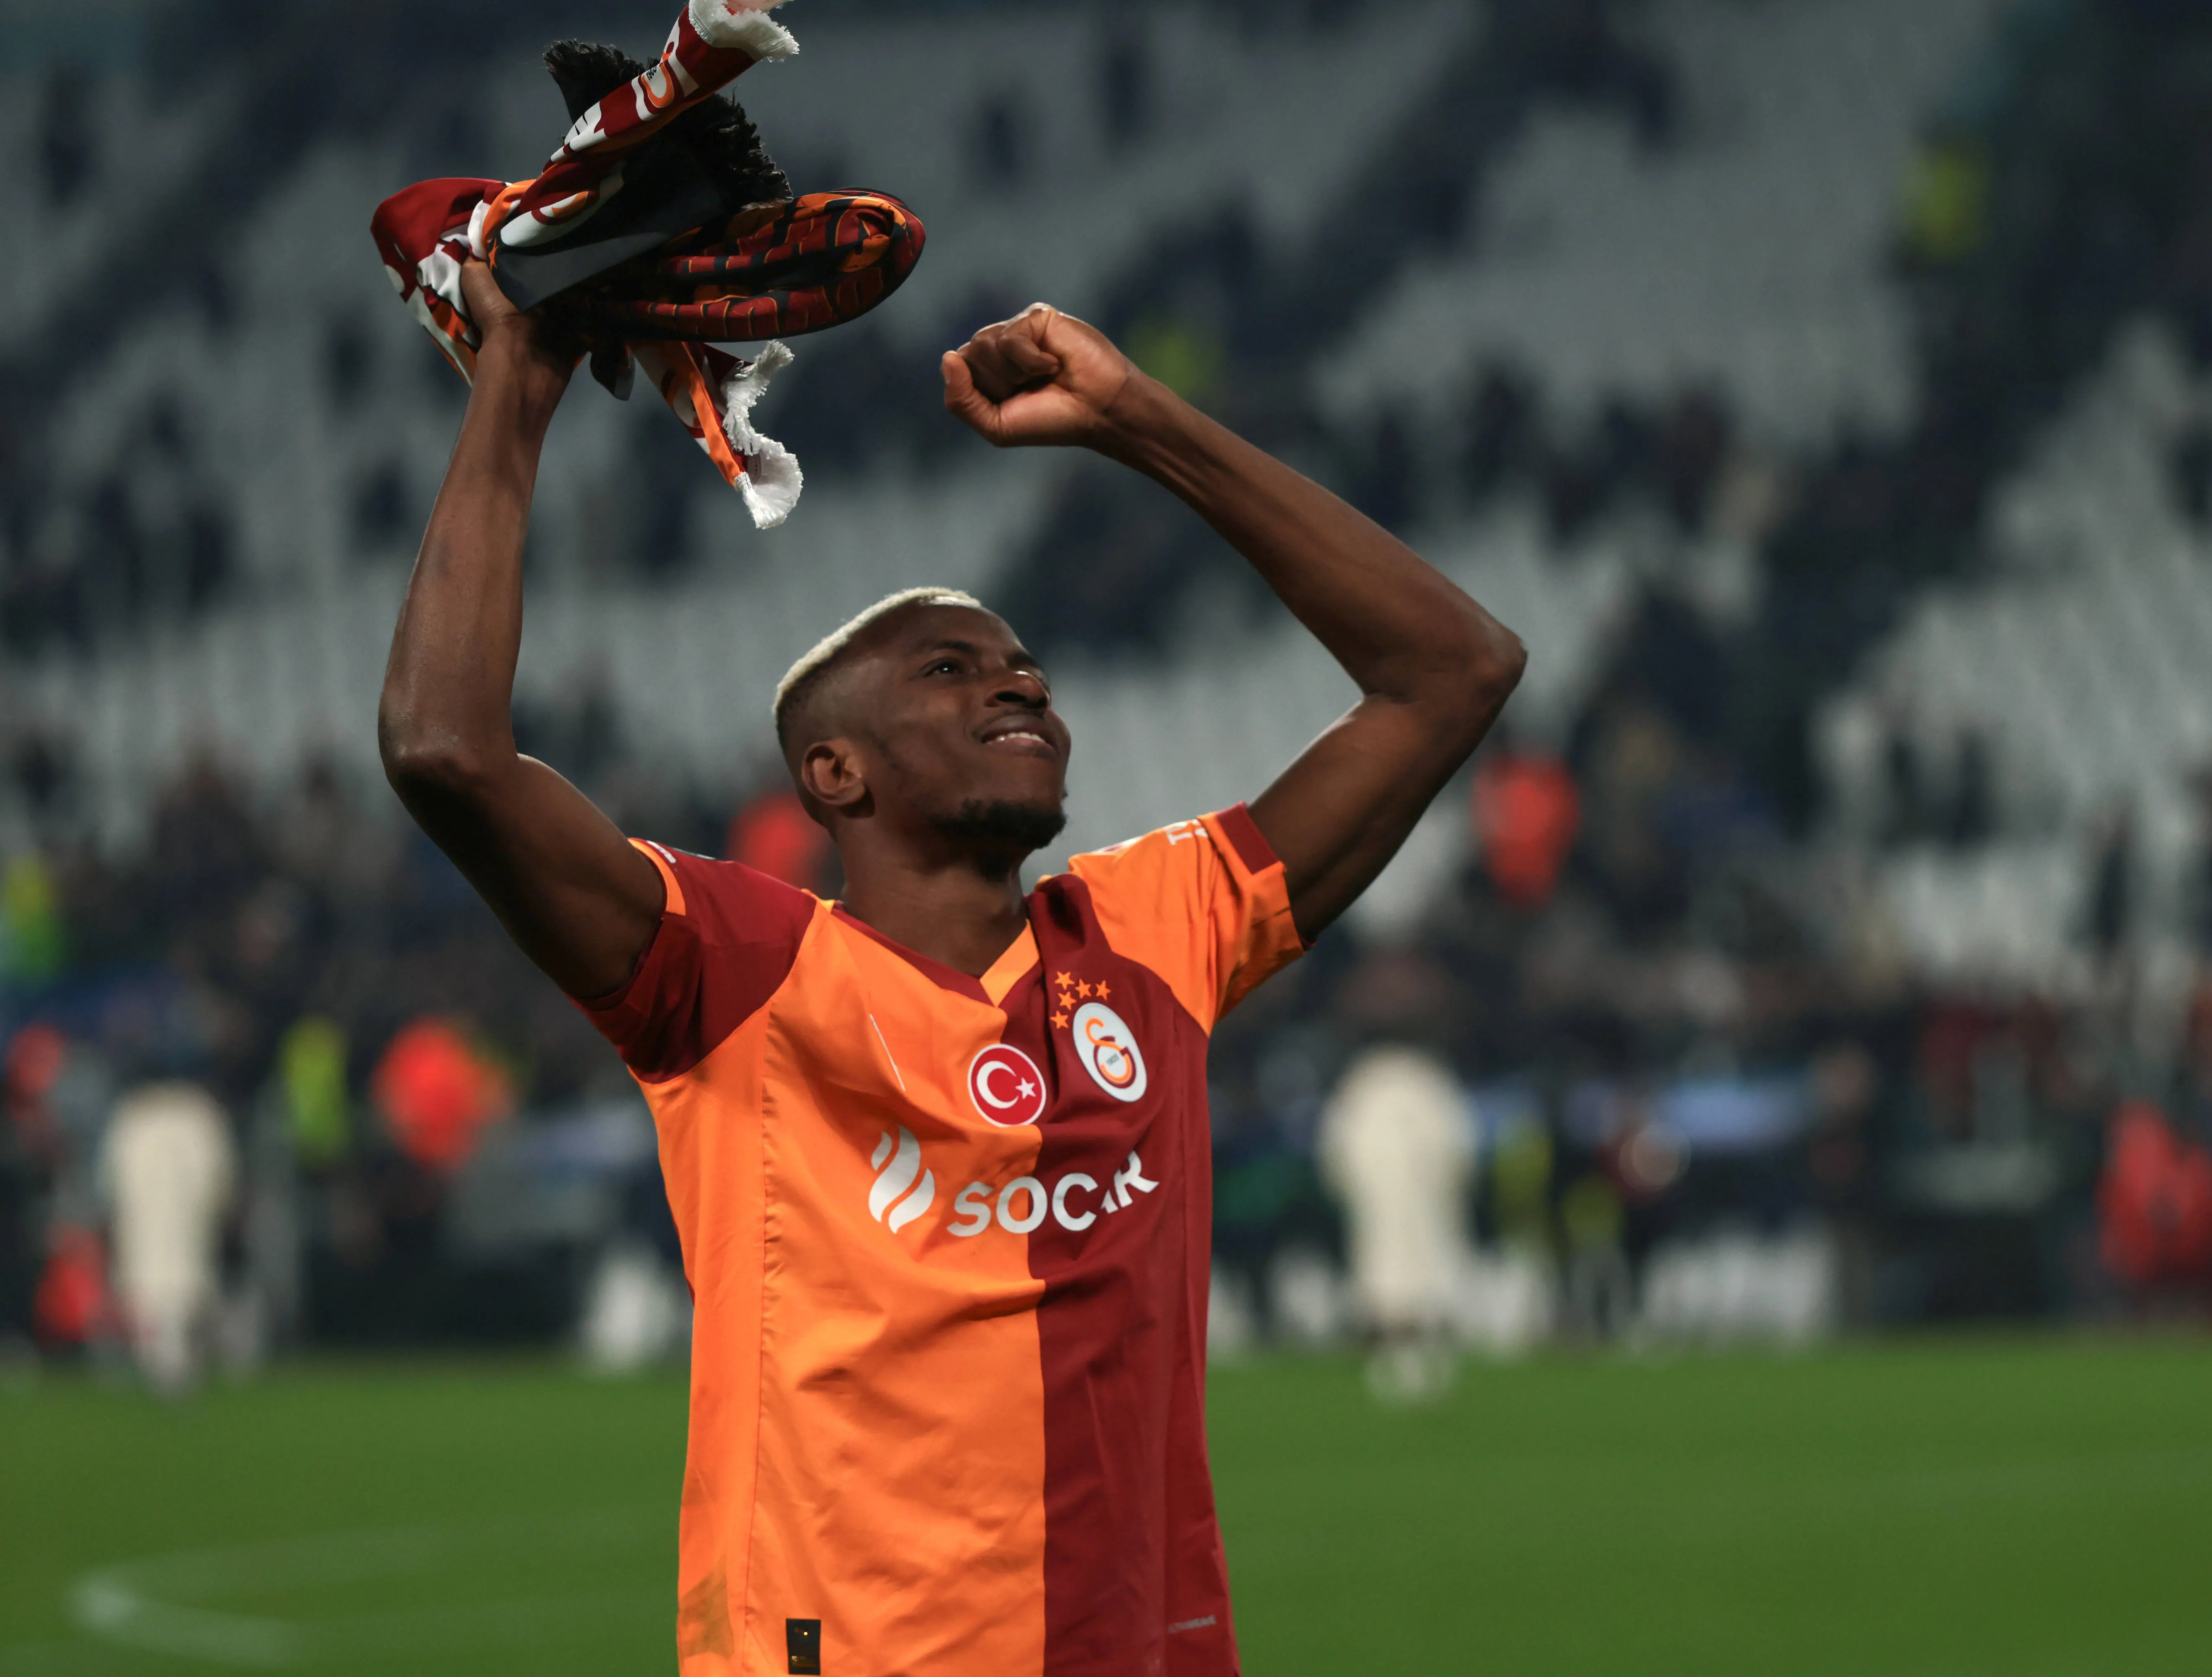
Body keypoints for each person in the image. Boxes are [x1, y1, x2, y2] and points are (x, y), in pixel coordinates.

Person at [378, 268, 1523, 1675]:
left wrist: (1138, 420)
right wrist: (519, 380)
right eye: (948, 669)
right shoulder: (737, 972)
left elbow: (1453, 669)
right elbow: (448, 750)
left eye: (1027, 667)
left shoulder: (1152, 931)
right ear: (832, 769)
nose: (1019, 684)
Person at [1316, 1045, 1478, 1401]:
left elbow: (1455, 1152)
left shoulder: (1409, 1090)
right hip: (1387, 1213)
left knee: (1419, 1280)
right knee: (1389, 1281)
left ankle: (1424, 1359)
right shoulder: (1377, 1091)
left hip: (1421, 1212)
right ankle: (1396, 1362)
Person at [99, 1080, 235, 1395]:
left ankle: (175, 1361)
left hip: (180, 1233)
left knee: (178, 1286)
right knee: (157, 1287)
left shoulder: (187, 1120)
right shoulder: (141, 1121)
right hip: (154, 1234)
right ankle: (166, 1361)